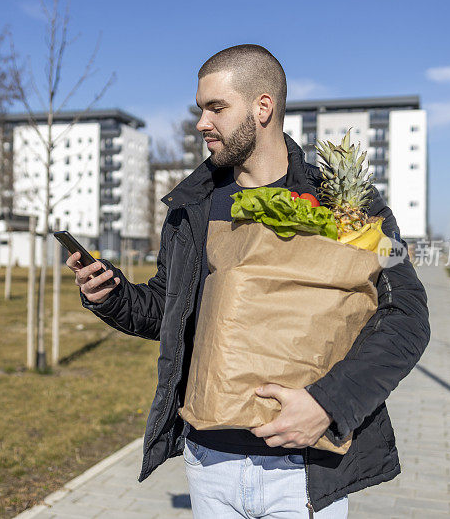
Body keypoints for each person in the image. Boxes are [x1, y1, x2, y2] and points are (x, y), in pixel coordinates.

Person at [66, 44, 430, 518]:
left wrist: (330, 403)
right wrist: (113, 296)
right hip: (209, 461)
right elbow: (171, 309)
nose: (201, 123)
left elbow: (409, 315)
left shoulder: (354, 204)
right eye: (200, 109)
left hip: (307, 471)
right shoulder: (191, 205)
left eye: (216, 107)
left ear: (263, 107)